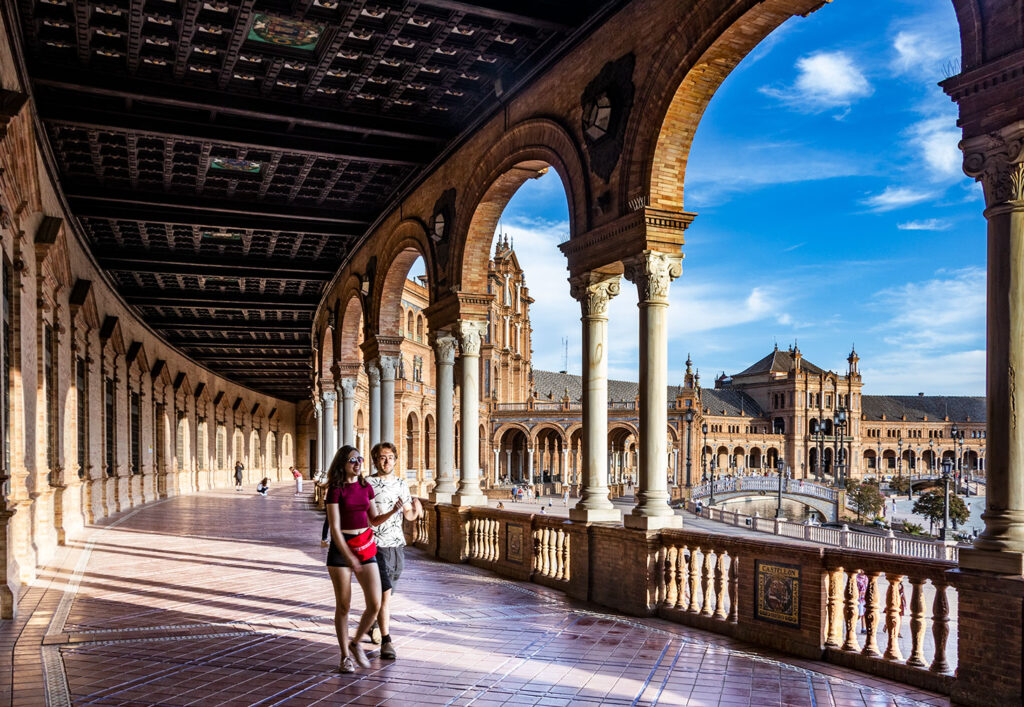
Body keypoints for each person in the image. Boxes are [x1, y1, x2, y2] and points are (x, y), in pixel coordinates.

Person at [323, 445, 403, 673]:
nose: (358, 463)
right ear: (342, 464)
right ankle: (345, 657)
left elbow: (374, 519)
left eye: (359, 459)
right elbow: (335, 529)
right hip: (341, 550)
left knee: (375, 603)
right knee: (344, 605)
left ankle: (356, 642)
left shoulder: (365, 486)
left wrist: (392, 511)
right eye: (352, 460)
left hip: (365, 546)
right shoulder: (336, 489)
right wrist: (349, 556)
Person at [367, 442, 423, 659]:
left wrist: (416, 511)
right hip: (376, 546)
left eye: (390, 457)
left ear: (396, 459)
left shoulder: (401, 484)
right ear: (375, 460)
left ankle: (373, 621)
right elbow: (372, 520)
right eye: (382, 457)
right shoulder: (368, 484)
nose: (387, 461)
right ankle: (387, 641)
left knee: (388, 593)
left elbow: (407, 515)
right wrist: (392, 511)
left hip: (397, 545)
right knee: (385, 595)